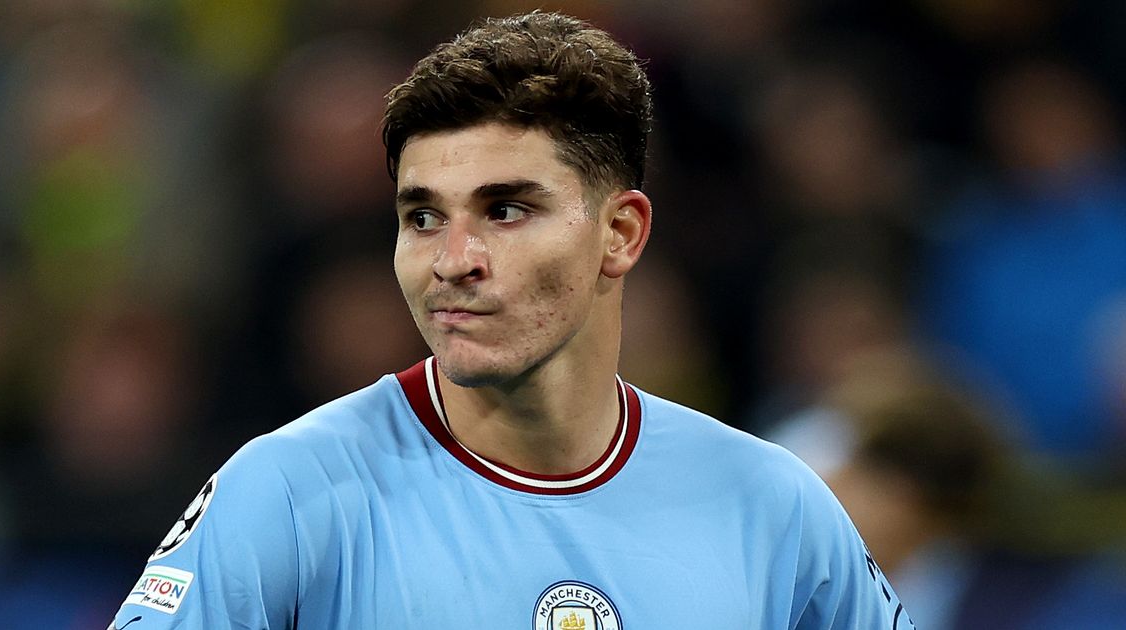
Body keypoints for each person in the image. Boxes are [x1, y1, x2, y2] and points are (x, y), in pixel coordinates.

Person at [110, 12, 913, 629]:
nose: (453, 259)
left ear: (620, 233)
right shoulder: (288, 492)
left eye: (505, 210)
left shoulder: (772, 505)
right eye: (423, 217)